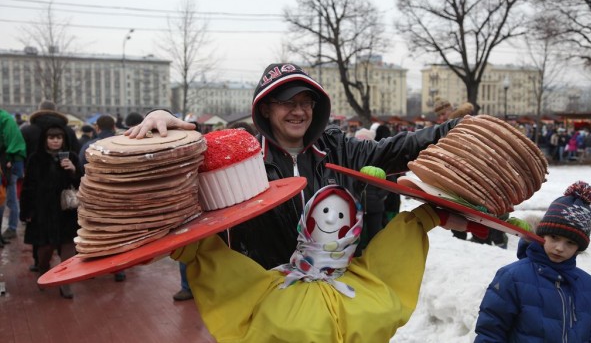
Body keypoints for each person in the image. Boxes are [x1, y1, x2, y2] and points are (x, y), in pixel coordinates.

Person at [126, 63, 461, 340]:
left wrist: (460, 127)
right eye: (288, 102)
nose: (299, 111)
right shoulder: (241, 159)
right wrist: (161, 114)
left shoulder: (341, 150)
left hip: (339, 309)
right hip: (272, 310)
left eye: (306, 102)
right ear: (267, 108)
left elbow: (404, 147)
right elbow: (184, 152)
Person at [171, 184, 483, 342]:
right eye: (324, 212)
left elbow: (402, 238)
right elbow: (225, 271)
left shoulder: (367, 282)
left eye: (341, 215)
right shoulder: (270, 290)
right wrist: (179, 242)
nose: (332, 219)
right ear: (307, 220)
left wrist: (441, 216)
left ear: (354, 226)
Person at [474, 181, 591, 341]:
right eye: (554, 237)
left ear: (579, 248)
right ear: (542, 235)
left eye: (570, 242)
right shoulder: (513, 277)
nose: (560, 248)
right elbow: (491, 332)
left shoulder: (590, 287)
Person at [19, 124, 82, 299]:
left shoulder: (72, 157)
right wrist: (27, 211)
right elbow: (28, 186)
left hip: (66, 210)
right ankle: (43, 269)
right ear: (45, 140)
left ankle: (65, 283)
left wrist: (73, 170)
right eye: (51, 137)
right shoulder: (35, 158)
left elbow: (82, 184)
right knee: (45, 249)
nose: (55, 141)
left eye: (59, 137)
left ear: (64, 139)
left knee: (68, 247)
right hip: (43, 210)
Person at [78, 115, 126, 282]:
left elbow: (81, 170)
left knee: (95, 231)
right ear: (113, 127)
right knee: (118, 233)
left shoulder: (88, 146)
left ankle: (92, 268)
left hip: (94, 196)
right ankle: (118, 268)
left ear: (97, 128)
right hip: (119, 197)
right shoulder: (122, 144)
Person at [0, 109, 27, 242]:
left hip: (11, 162)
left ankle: (11, 228)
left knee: (9, 198)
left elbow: (12, 142)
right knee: (9, 197)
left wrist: (9, 158)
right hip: (12, 160)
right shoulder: (5, 118)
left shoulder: (4, 118)